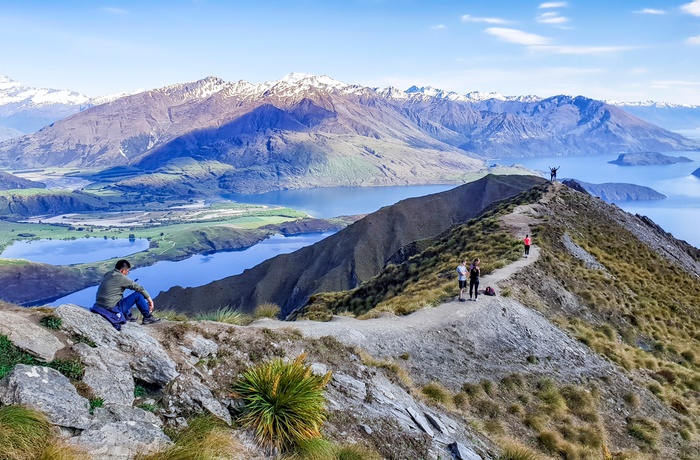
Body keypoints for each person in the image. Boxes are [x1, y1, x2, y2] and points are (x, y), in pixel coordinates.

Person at [92, 259, 160, 326]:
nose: (127, 273)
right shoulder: (121, 277)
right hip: (111, 308)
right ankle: (148, 317)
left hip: (99, 305)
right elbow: (140, 288)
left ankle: (127, 315)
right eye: (127, 271)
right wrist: (150, 301)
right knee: (138, 295)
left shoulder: (108, 274)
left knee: (118, 292)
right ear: (122, 270)